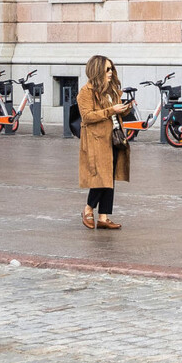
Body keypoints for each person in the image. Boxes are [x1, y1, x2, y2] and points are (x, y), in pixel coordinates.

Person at [77, 54, 129, 231]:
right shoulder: (86, 92)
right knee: (101, 177)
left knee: (109, 177)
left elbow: (116, 113)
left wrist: (125, 108)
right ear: (97, 70)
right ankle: (88, 208)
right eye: (107, 69)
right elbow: (87, 116)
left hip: (114, 137)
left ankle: (103, 217)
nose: (110, 72)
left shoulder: (111, 89)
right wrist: (111, 110)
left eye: (111, 68)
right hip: (96, 140)